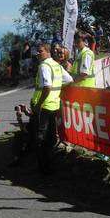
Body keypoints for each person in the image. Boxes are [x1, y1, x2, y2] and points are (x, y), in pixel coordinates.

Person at [28, 43, 73, 173]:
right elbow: (69, 80)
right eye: (37, 51)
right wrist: (58, 90)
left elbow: (47, 87)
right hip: (54, 105)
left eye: (40, 51)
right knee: (52, 137)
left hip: (43, 106)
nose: (38, 53)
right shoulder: (56, 65)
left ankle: (42, 166)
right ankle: (48, 165)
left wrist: (38, 104)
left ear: (47, 52)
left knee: (40, 137)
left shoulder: (44, 66)